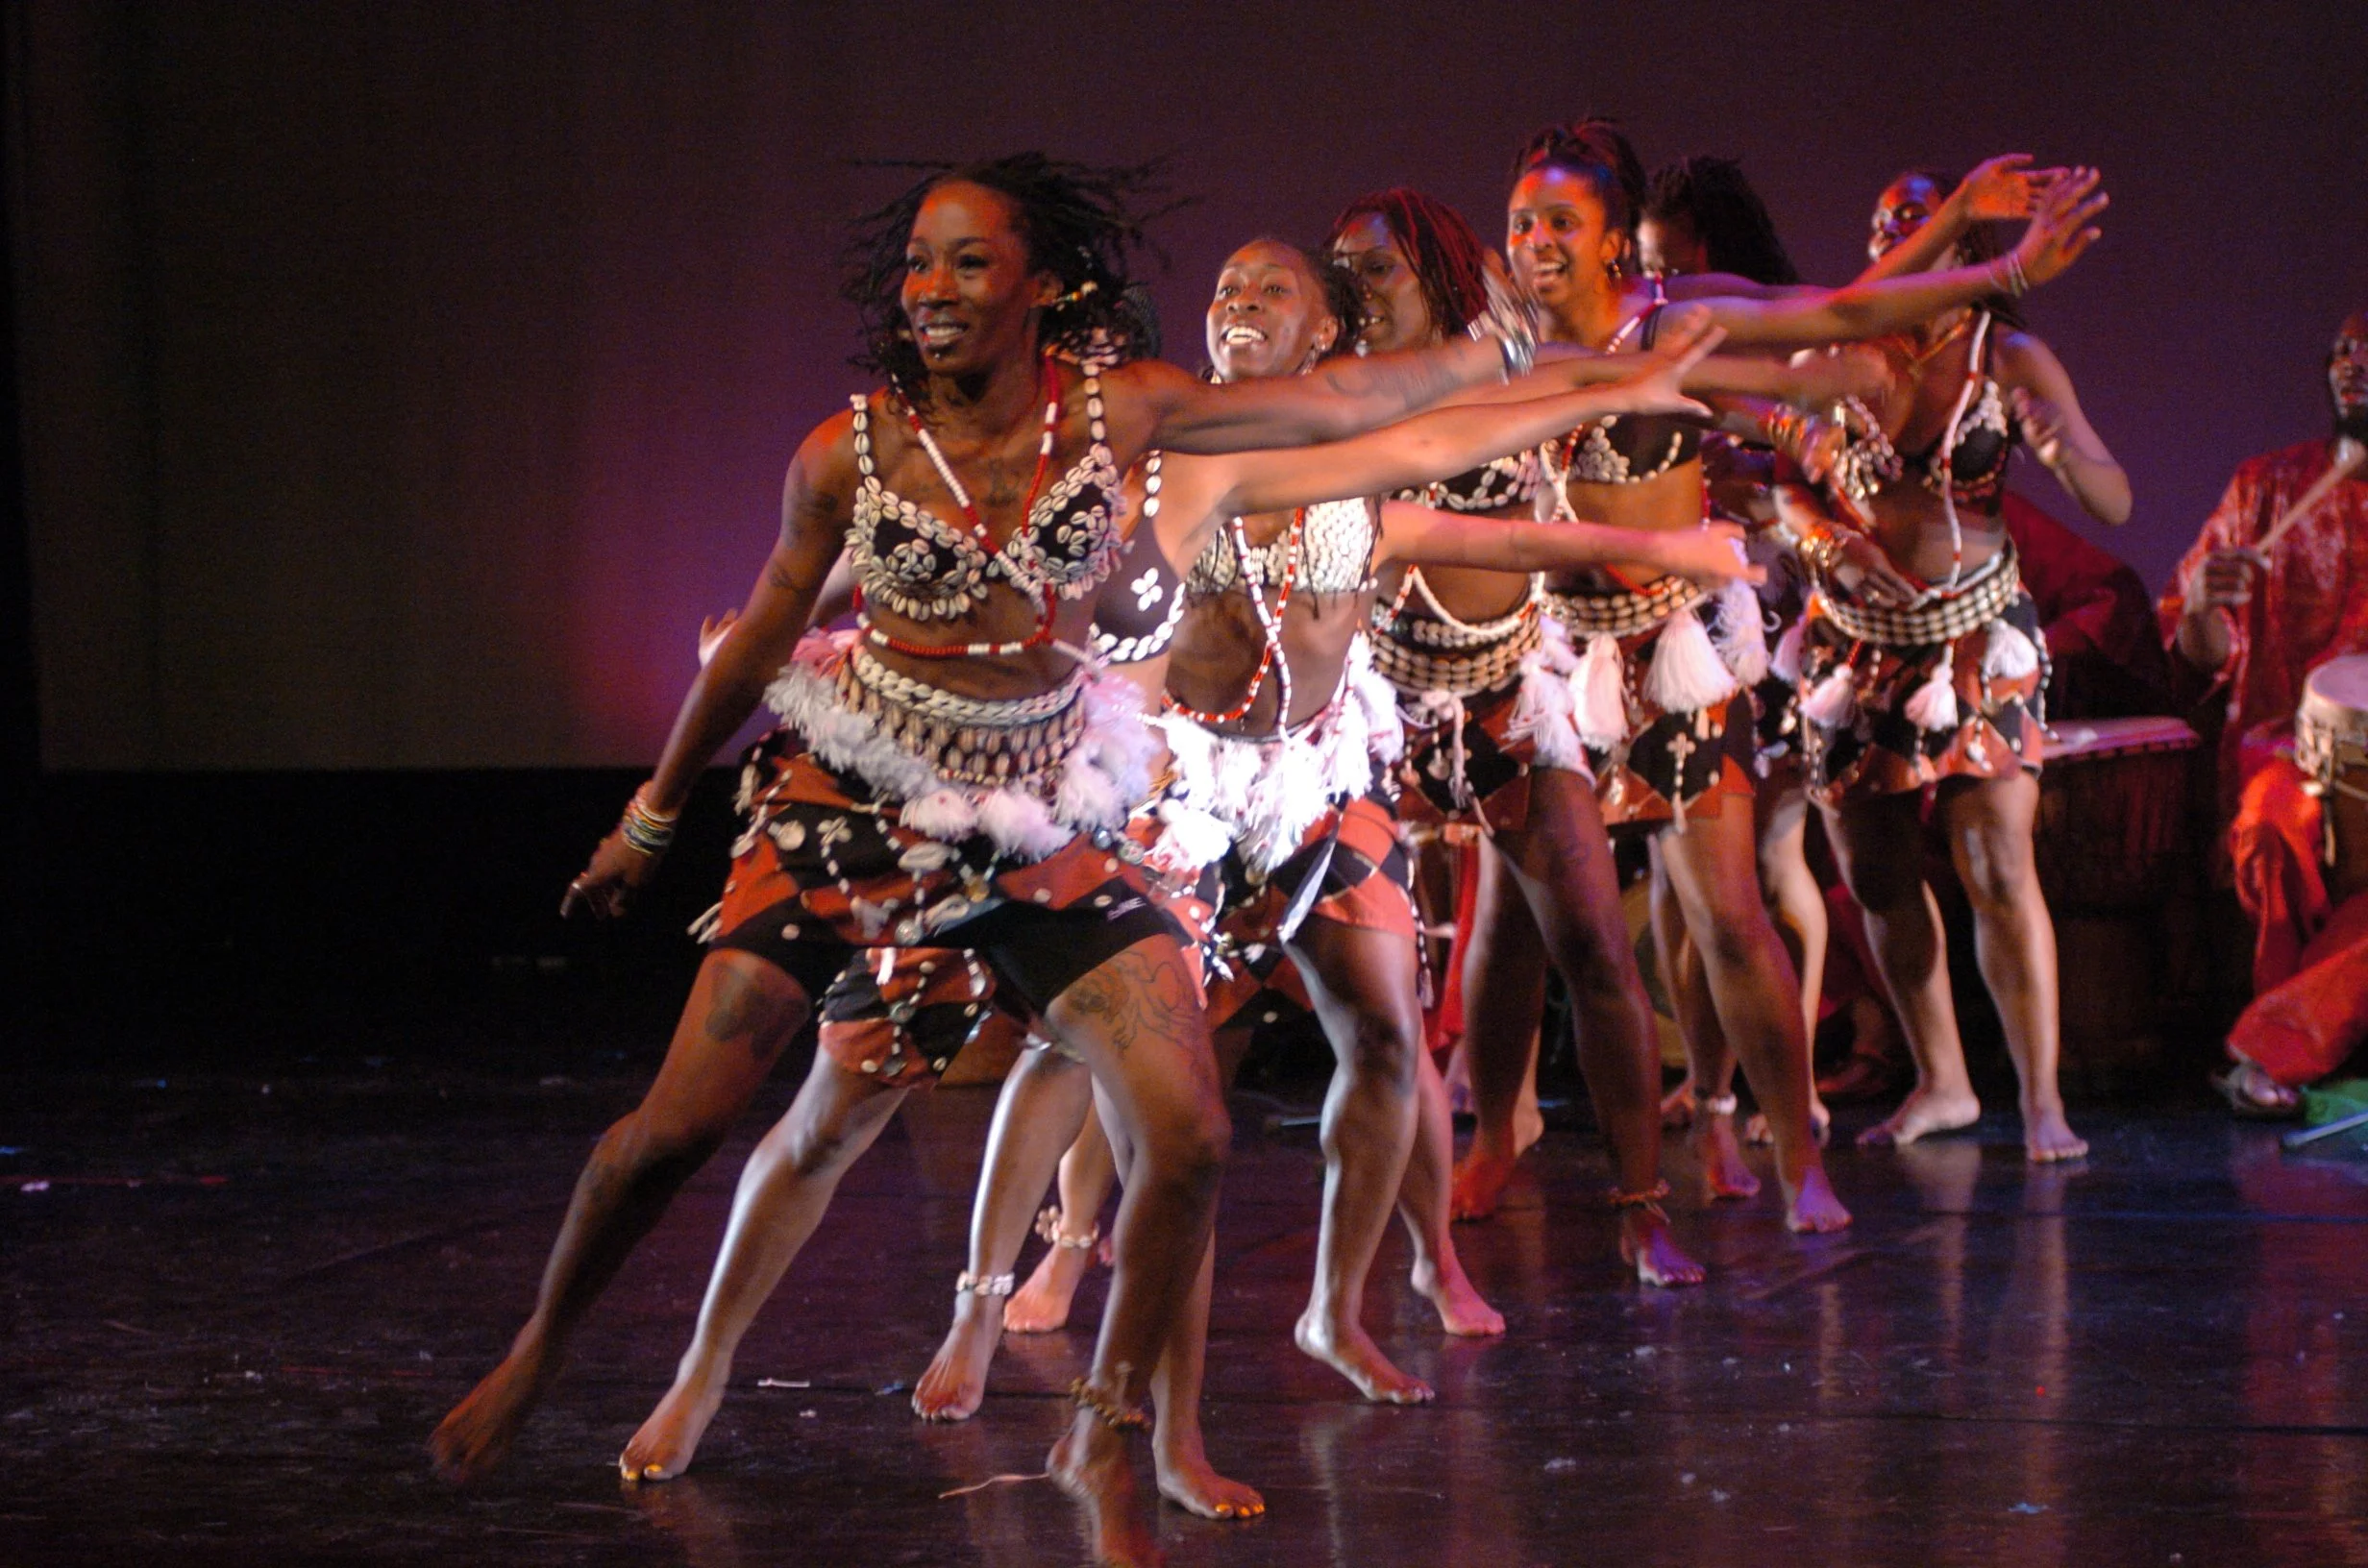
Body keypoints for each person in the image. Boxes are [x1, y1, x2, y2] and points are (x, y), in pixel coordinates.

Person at [430, 153, 1544, 1568]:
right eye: (918, 264)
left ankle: (1105, 1432)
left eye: (968, 263)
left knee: (1189, 1133)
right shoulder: (846, 454)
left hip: (1041, 812)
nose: (933, 290)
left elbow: (1340, 407)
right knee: (682, 1132)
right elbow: (763, 637)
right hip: (861, 802)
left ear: (1042, 287)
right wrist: (648, 821)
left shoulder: (1121, 413)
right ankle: (544, 1344)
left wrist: (1491, 355)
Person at [894, 239, 1753, 1431]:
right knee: (1073, 1048)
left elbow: (1487, 490)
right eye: (1224, 289)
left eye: (1270, 292)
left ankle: (1340, 1309)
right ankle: (987, 1301)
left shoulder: (1354, 477)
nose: (1238, 304)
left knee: (1389, 1036)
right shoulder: (1174, 454)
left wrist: (1633, 423)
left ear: (1327, 342)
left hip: (1311, 781)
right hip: (1180, 787)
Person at [1783, 163, 2121, 1164]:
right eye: (1883, 228)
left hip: (1979, 635)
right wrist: (1817, 537)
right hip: (1856, 646)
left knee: (1997, 865)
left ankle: (2043, 1101)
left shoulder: (2006, 356)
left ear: (1966, 245)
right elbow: (1777, 473)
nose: (1897, 237)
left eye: (1919, 223)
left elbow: (2115, 502)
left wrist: (2063, 459)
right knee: (1877, 875)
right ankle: (1944, 1081)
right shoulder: (1838, 357)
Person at [2160, 309, 2368, 1113]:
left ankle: (2272, 1050)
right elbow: (2202, 653)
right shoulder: (2265, 487)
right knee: (2269, 826)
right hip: (2286, 753)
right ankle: (2289, 1042)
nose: (2353, 364)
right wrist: (2202, 612)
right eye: (2343, 349)